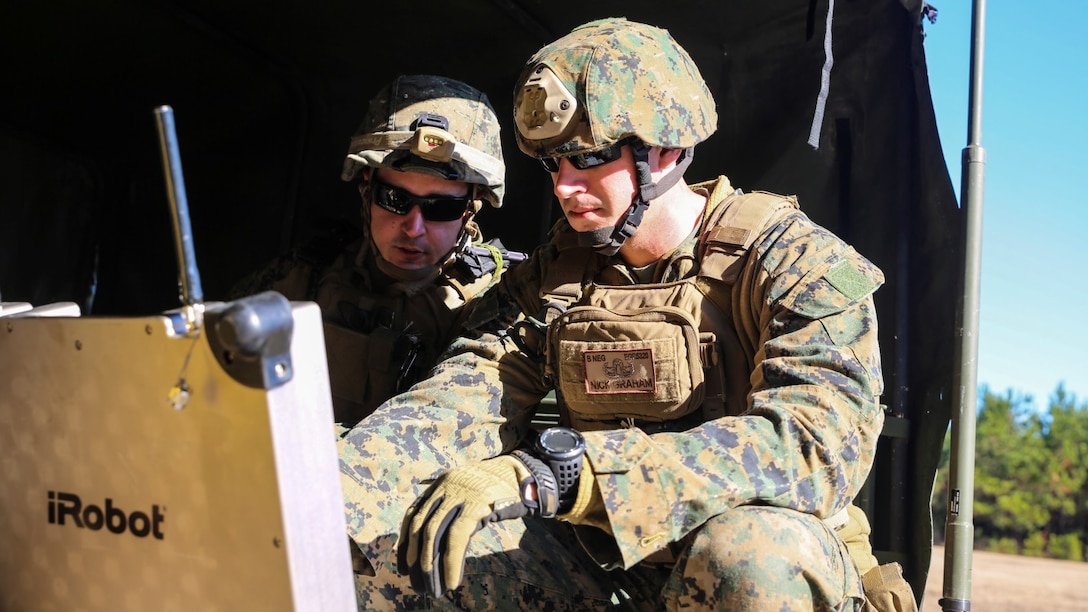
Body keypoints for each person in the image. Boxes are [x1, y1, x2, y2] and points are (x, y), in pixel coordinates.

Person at [338, 18, 916, 611]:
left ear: (664, 152)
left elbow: (812, 448)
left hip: (761, 572)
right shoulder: (551, 277)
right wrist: (332, 486)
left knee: (746, 551)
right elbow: (459, 401)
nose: (563, 187)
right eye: (554, 164)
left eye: (586, 158)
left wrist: (568, 473)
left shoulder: (794, 262)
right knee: (396, 551)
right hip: (608, 567)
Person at [230, 74, 522, 426]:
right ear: (367, 189)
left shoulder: (499, 306)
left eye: (440, 208)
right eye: (396, 199)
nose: (413, 228)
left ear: (470, 209)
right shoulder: (303, 277)